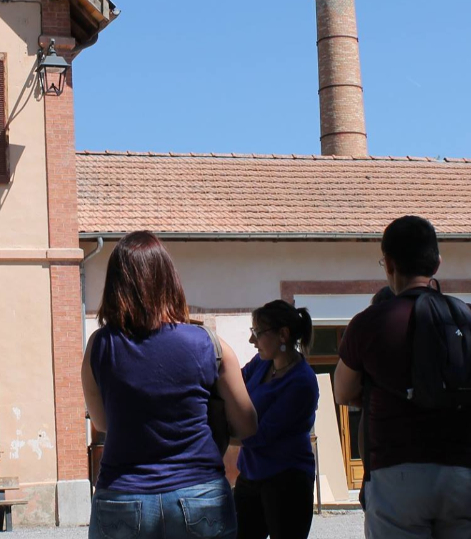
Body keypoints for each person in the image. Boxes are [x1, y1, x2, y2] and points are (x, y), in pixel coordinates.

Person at [82, 231, 257, 539]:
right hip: (200, 493)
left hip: (123, 494)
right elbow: (248, 424)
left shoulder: (99, 347)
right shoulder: (210, 346)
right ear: (168, 281)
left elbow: (102, 422)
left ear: (115, 285)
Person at [334, 215, 471, 539]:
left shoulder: (369, 323)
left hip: (396, 471)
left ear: (389, 264)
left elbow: (342, 392)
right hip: (461, 468)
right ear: (437, 263)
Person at [235, 300, 320, 539]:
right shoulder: (262, 364)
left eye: (258, 333)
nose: (252, 341)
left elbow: (260, 434)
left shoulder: (302, 382)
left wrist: (214, 435)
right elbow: (234, 385)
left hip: (287, 481)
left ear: (283, 335)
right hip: (251, 476)